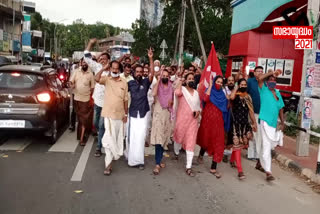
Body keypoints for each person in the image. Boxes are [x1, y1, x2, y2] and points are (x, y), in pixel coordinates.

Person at [95, 60, 129, 175]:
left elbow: (125, 100)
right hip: (108, 115)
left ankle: (115, 155)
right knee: (108, 139)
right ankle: (108, 165)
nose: (114, 70)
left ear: (119, 70)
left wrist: (125, 114)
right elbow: (96, 79)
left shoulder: (124, 82)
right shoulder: (107, 80)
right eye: (112, 68)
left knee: (116, 139)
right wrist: (103, 68)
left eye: (116, 68)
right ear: (110, 69)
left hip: (119, 116)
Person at [127, 48, 154, 170]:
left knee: (141, 136)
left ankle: (140, 160)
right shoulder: (130, 83)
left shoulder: (145, 82)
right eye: (137, 71)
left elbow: (152, 73)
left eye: (140, 71)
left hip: (143, 113)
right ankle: (132, 160)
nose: (138, 73)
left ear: (143, 73)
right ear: (133, 72)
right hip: (132, 113)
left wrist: (150, 58)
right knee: (133, 137)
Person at [197, 75, 229, 178]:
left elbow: (225, 108)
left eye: (221, 82)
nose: (219, 84)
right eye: (217, 82)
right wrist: (210, 86)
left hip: (218, 123)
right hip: (208, 121)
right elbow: (205, 99)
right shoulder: (209, 90)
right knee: (206, 140)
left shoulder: (222, 95)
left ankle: (213, 167)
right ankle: (201, 154)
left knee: (218, 143)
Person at [85, 38, 111, 157]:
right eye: (101, 59)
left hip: (107, 103)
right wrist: (90, 44)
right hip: (97, 101)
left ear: (109, 61)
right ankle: (101, 138)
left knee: (101, 125)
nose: (102, 60)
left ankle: (99, 147)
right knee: (95, 123)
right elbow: (86, 57)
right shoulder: (97, 67)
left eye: (104, 59)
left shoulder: (113, 71)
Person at [257, 70, 285, 181]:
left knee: (270, 145)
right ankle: (268, 171)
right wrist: (271, 73)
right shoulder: (263, 90)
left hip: (273, 123)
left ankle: (260, 161)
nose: (272, 81)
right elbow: (259, 79)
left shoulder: (278, 93)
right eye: (270, 80)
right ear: (267, 81)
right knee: (267, 146)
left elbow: (281, 108)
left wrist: (282, 122)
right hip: (264, 121)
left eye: (274, 80)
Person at [173, 73, 201, 177]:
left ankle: (188, 167)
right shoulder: (183, 90)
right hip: (182, 120)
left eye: (192, 78)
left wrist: (198, 112)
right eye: (189, 79)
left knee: (191, 142)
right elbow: (177, 93)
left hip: (192, 121)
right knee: (178, 137)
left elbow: (198, 107)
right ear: (186, 81)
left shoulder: (196, 93)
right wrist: (181, 81)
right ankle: (176, 153)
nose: (191, 80)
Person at [229, 78, 257, 180]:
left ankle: (232, 160)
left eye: (245, 84)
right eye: (241, 84)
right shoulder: (235, 95)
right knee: (237, 145)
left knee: (241, 145)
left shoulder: (248, 97)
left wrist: (254, 123)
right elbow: (231, 97)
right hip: (235, 124)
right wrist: (236, 87)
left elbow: (251, 111)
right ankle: (240, 171)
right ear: (238, 85)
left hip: (245, 124)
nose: (243, 86)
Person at [150, 69, 174, 175]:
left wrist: (171, 103)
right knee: (158, 139)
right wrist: (158, 80)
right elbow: (153, 94)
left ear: (169, 77)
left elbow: (173, 100)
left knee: (164, 139)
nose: (164, 77)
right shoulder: (158, 85)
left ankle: (159, 160)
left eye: (166, 76)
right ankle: (157, 163)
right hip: (159, 114)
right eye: (162, 75)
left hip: (167, 115)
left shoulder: (171, 87)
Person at [69, 59, 95, 146]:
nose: (84, 64)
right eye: (83, 62)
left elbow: (92, 88)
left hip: (86, 99)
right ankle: (81, 135)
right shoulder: (76, 72)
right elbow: (71, 81)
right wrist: (71, 84)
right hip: (76, 98)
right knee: (80, 119)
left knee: (83, 119)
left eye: (86, 63)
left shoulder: (90, 74)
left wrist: (91, 98)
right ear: (81, 63)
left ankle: (81, 139)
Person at [247, 66, 263, 160]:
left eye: (261, 71)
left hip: (263, 113)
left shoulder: (264, 82)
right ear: (254, 72)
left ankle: (257, 155)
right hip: (252, 111)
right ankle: (251, 154)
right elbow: (246, 94)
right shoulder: (250, 81)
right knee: (253, 132)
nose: (260, 73)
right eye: (258, 71)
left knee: (260, 134)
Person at [222, 75, 235, 163]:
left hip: (235, 115)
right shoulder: (223, 90)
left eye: (232, 81)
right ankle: (224, 153)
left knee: (233, 134)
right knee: (225, 133)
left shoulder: (236, 90)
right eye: (229, 80)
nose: (231, 82)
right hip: (225, 114)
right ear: (227, 82)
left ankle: (232, 155)